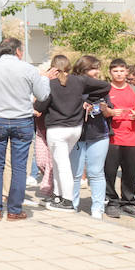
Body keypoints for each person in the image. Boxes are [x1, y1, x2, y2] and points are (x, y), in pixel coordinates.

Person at [0, 37, 50, 221]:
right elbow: (43, 94)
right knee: (19, 167)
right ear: (18, 51)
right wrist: (45, 79)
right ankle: (15, 210)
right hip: (22, 120)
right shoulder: (29, 69)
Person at [35, 54, 109, 213]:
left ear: (53, 68)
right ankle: (57, 196)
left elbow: (40, 106)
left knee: (62, 165)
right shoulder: (79, 81)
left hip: (57, 129)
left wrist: (44, 83)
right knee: (58, 162)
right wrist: (90, 99)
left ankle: (67, 200)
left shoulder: (51, 83)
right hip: (75, 128)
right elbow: (105, 86)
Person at [103, 59, 135, 213]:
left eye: (122, 71)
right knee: (109, 171)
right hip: (111, 137)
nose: (119, 74)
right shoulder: (105, 90)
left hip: (133, 137)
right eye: (115, 71)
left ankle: (128, 202)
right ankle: (112, 201)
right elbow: (99, 110)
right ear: (110, 72)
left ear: (126, 73)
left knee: (130, 172)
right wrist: (109, 112)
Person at [70, 56, 112, 218]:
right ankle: (72, 205)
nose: (97, 72)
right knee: (75, 173)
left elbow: (109, 112)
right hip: (77, 135)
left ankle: (97, 208)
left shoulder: (101, 87)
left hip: (99, 134)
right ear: (84, 69)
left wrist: (104, 109)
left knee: (96, 172)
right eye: (94, 68)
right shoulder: (73, 86)